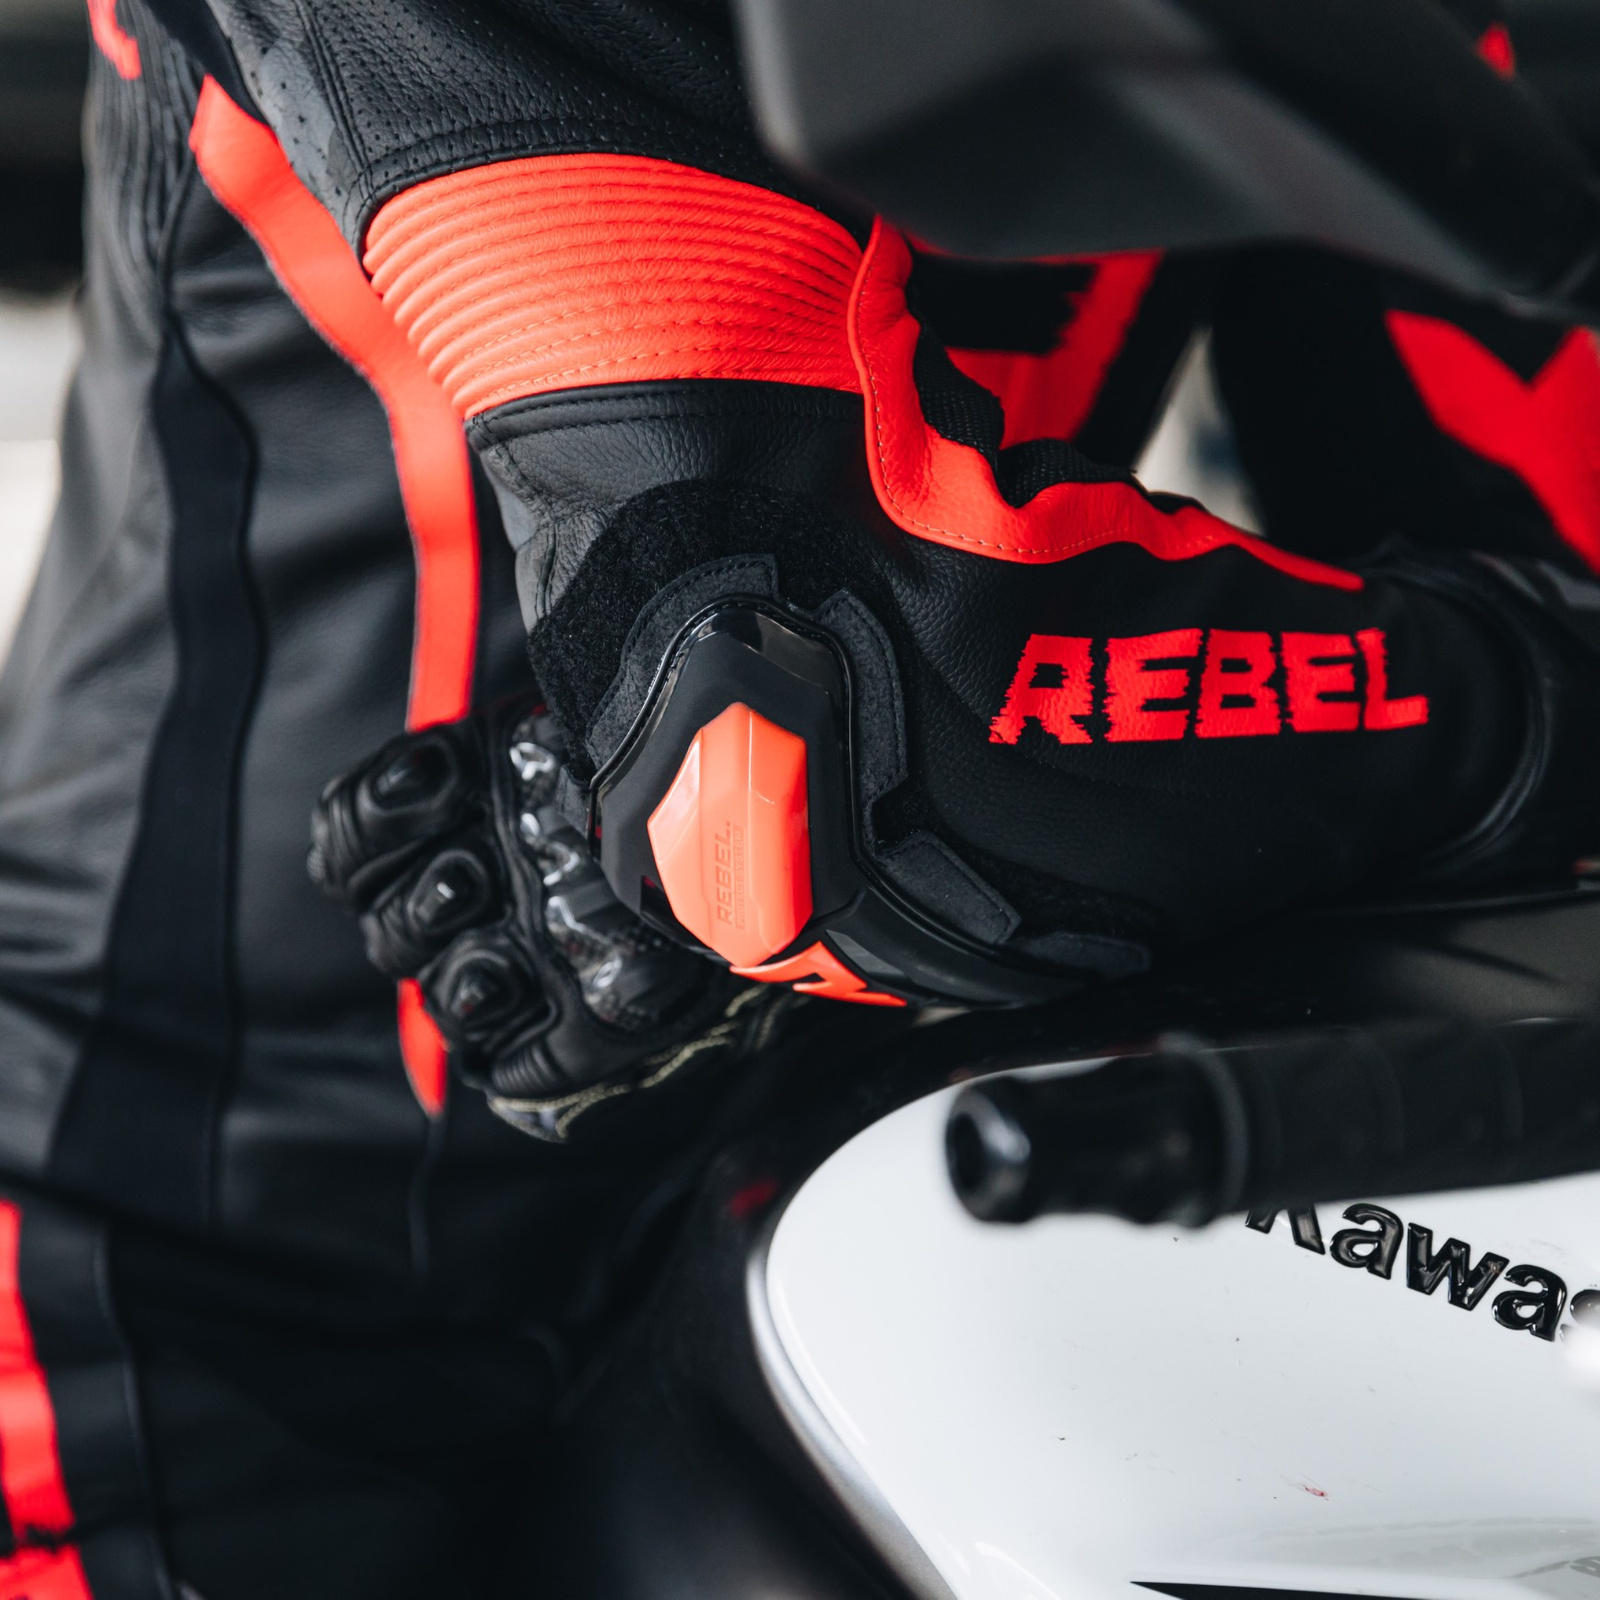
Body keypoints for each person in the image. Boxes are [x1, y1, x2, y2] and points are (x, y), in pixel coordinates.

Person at [0, 0, 1595, 1593]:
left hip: (834, 1220)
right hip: (169, 1311)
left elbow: (1520, 604)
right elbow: (787, 734)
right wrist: (1525, 707)